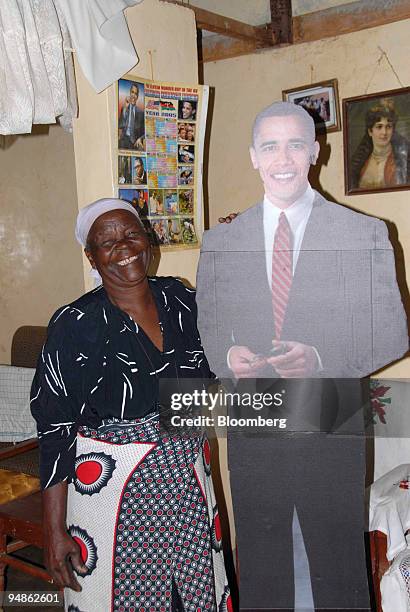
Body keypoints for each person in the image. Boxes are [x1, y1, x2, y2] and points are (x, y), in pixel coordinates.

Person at [196, 101, 408, 610]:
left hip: (331, 415)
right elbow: (210, 327)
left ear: (317, 150)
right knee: (262, 565)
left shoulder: (364, 234)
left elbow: (395, 333)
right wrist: (229, 355)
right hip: (254, 422)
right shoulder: (221, 241)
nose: (283, 157)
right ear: (252, 156)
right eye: (270, 145)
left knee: (337, 567)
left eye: (295, 143)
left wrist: (319, 356)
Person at [30, 198, 230, 611]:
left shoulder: (179, 299)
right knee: (121, 597)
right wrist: (54, 531)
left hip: (187, 480)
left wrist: (235, 252)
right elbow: (54, 429)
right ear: (91, 256)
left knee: (191, 595)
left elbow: (218, 366)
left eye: (131, 234)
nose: (124, 247)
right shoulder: (75, 324)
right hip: (117, 494)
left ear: (148, 240)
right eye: (107, 242)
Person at [351, 98, 410, 189]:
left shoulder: (403, 159)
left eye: (389, 126)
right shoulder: (360, 161)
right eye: (379, 127)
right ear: (370, 131)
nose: (384, 132)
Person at [118, 82, 145, 151]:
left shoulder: (141, 113)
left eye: (136, 94)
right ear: (130, 93)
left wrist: (140, 139)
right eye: (132, 92)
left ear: (138, 96)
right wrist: (125, 109)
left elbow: (145, 132)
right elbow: (120, 125)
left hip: (134, 143)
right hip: (124, 141)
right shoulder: (124, 108)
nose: (134, 95)